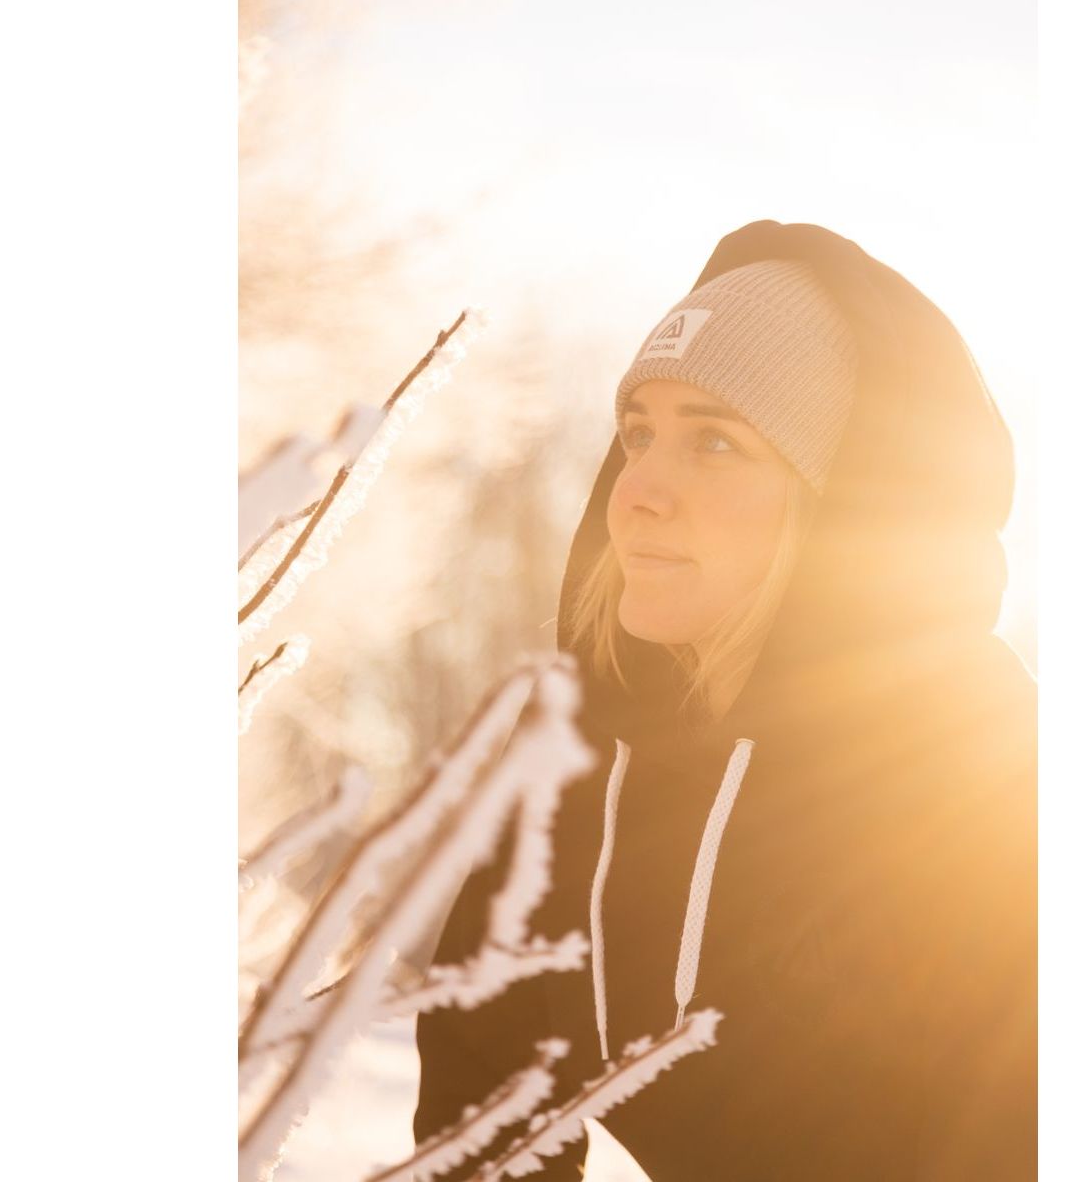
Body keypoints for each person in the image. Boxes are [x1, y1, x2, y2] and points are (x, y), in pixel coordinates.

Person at [412, 219, 1037, 1180]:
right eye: (637, 434)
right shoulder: (584, 744)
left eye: (714, 441)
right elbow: (483, 1083)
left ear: (839, 505)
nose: (637, 492)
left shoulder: (984, 771)